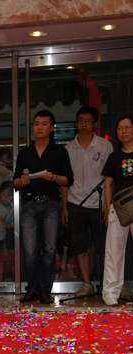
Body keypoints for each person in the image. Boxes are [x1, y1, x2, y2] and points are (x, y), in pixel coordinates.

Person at [14, 110, 73, 304]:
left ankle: (45, 290)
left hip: (51, 204)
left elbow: (68, 180)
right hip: (29, 204)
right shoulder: (25, 152)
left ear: (52, 128)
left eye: (44, 124)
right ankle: (32, 288)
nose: (39, 127)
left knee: (49, 249)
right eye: (36, 124)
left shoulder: (60, 151)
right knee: (30, 250)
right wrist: (21, 181)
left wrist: (53, 177)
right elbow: (15, 181)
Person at [63, 106, 113, 297]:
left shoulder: (105, 146)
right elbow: (65, 182)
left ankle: (106, 284)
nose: (84, 124)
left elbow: (110, 178)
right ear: (76, 124)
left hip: (100, 203)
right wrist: (64, 207)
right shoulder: (68, 148)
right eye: (81, 121)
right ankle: (86, 284)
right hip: (75, 203)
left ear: (94, 124)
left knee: (103, 246)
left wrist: (108, 205)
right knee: (80, 246)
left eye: (88, 121)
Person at [101, 114, 133, 306]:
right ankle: (110, 293)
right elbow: (108, 183)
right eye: (120, 128)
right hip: (119, 207)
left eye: (127, 127)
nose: (123, 131)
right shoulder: (114, 157)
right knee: (114, 250)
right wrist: (107, 206)